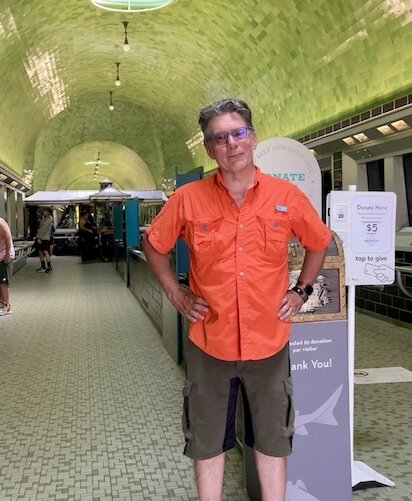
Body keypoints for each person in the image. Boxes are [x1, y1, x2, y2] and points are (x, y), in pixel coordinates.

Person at [142, 98, 331, 500]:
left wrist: (301, 291)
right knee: (207, 441)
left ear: (253, 138)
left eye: (238, 132)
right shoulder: (188, 199)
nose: (231, 143)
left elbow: (319, 241)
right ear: (210, 149)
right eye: (220, 138)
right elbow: (154, 244)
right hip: (210, 341)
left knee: (272, 439)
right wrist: (175, 292)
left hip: (269, 340)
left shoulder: (286, 196)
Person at [35, 208, 53, 273]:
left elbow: (43, 229)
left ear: (48, 212)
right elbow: (40, 227)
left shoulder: (48, 220)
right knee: (40, 251)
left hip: (44, 238)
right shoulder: (44, 219)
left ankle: (49, 266)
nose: (43, 212)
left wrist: (39, 238)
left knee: (45, 252)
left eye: (45, 211)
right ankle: (43, 266)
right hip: (40, 237)